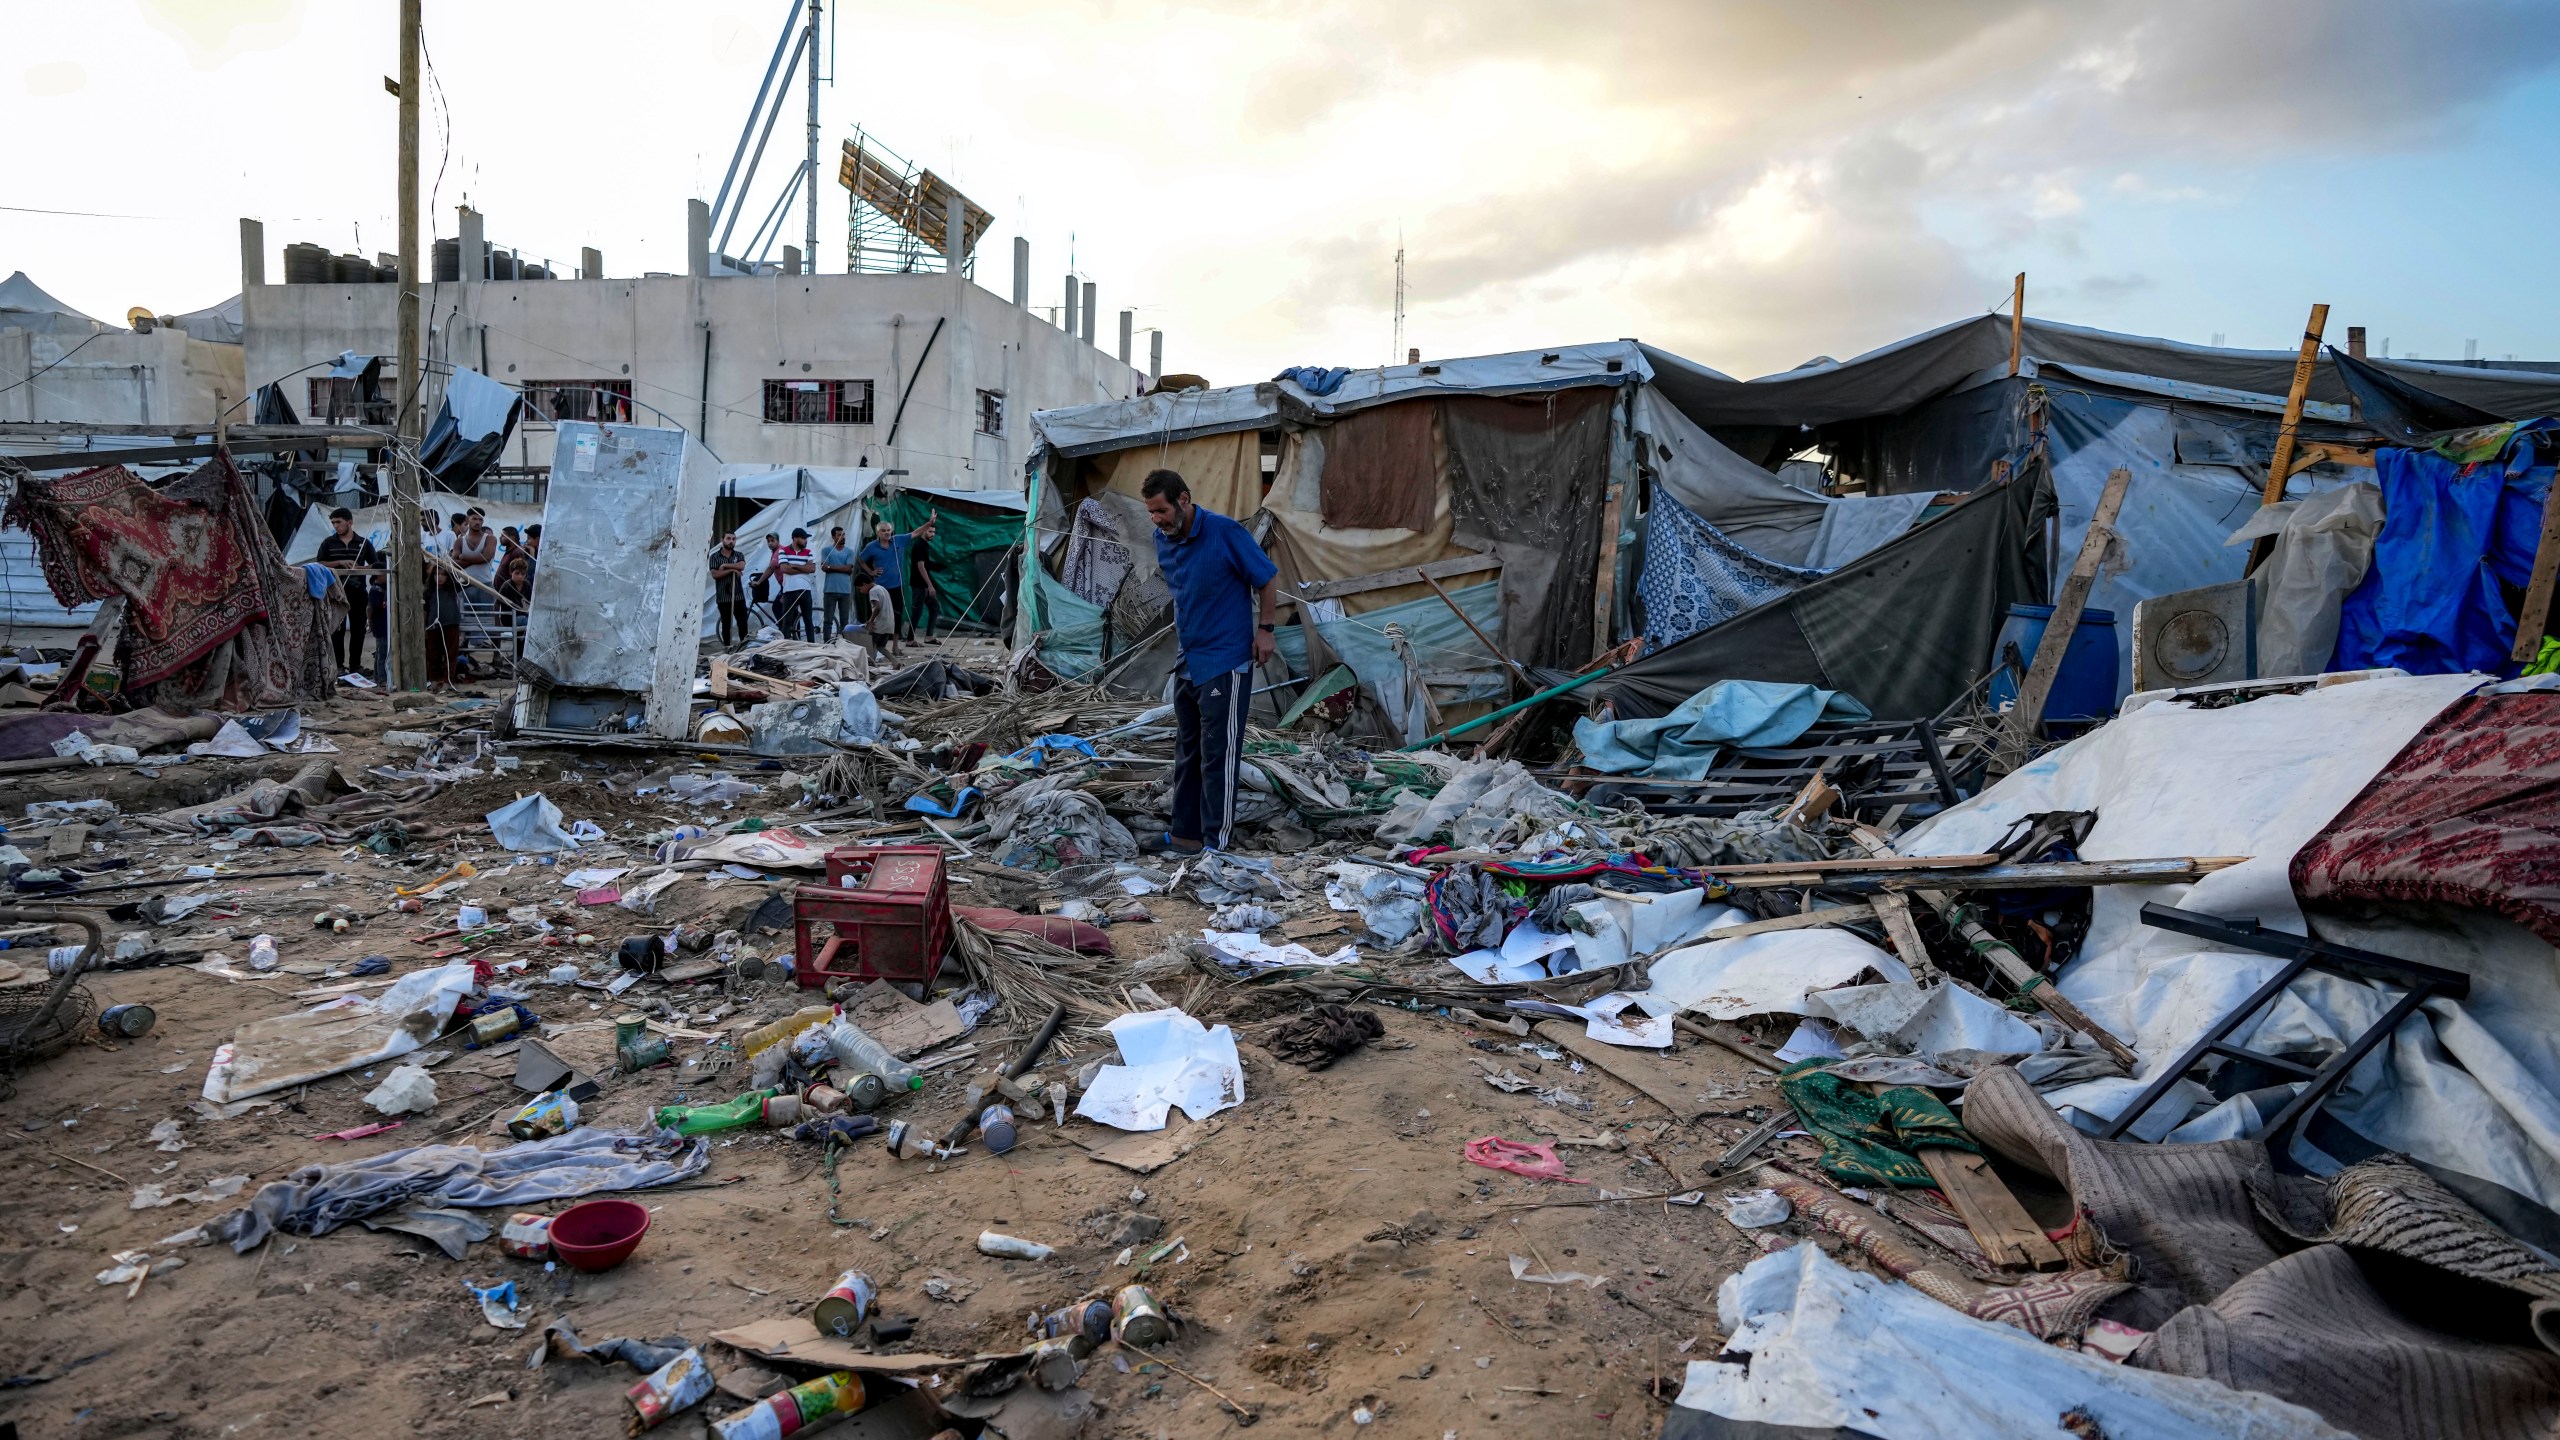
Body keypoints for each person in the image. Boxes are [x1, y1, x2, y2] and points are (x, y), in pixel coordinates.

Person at [1141, 469, 1278, 854]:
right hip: (1188, 660)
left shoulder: (1225, 532)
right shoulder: (1162, 538)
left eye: (1161, 510)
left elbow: (1266, 578)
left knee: (1220, 753)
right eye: (1151, 512)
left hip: (1226, 660)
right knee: (1188, 751)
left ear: (1183, 500)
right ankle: (1185, 834)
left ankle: (1215, 842)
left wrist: (1266, 629)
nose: (1156, 519)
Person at [314, 506, 380, 675]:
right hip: (335, 593)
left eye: (339, 522)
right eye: (333, 523)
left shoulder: (363, 543)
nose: (336, 526)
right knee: (337, 630)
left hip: (358, 593)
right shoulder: (328, 542)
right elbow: (319, 563)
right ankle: (339, 667)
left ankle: (355, 666)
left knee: (358, 630)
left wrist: (357, 567)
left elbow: (375, 564)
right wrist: (339, 562)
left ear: (349, 522)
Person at [858, 515, 936, 646]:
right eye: (883, 530)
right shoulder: (872, 546)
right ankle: (875, 644)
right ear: (878, 532)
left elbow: (915, 532)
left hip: (896, 586)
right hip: (881, 587)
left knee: (897, 615)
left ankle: (895, 645)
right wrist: (871, 571)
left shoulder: (898, 541)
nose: (887, 532)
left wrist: (929, 523)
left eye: (888, 530)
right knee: (878, 614)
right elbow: (860, 559)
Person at [775, 528, 818, 641]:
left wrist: (794, 566)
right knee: (787, 621)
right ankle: (784, 646)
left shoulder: (808, 552)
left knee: (808, 620)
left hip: (805, 590)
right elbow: (784, 568)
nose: (805, 541)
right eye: (803, 538)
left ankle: (812, 646)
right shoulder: (783, 550)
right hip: (789, 590)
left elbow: (812, 568)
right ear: (795, 538)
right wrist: (804, 568)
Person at [818, 525, 859, 643]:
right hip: (830, 589)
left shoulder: (850, 552)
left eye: (843, 534)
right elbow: (824, 567)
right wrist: (841, 568)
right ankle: (826, 641)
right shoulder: (826, 550)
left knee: (844, 620)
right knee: (828, 619)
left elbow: (849, 569)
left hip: (845, 590)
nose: (842, 537)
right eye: (839, 535)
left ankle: (844, 643)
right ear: (833, 537)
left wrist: (831, 566)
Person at [905, 514, 943, 643]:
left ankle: (929, 636)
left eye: (934, 532)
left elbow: (925, 564)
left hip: (923, 585)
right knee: (917, 611)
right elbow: (920, 566)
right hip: (919, 584)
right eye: (930, 531)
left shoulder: (924, 545)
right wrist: (929, 585)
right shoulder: (920, 545)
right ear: (923, 531)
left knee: (934, 607)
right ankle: (910, 639)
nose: (932, 534)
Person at [708, 531, 749, 647]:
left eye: (733, 539)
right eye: (728, 538)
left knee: (743, 624)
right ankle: (727, 648)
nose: (731, 541)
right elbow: (715, 574)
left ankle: (744, 648)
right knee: (726, 625)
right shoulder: (714, 557)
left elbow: (741, 566)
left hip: (738, 596)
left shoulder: (739, 555)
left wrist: (726, 566)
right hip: (723, 597)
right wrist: (732, 570)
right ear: (722, 540)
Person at [862, 564, 897, 660]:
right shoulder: (881, 588)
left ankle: (871, 665)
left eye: (860, 589)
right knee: (880, 646)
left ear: (864, 584)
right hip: (889, 623)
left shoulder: (872, 591)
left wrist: (871, 620)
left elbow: (877, 607)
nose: (861, 591)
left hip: (880, 624)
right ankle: (895, 661)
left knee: (869, 645)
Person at [751, 532, 782, 628]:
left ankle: (785, 630)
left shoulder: (779, 551)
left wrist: (759, 582)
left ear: (778, 541)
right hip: (785, 585)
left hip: (787, 585)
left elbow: (770, 569)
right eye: (768, 541)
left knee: (776, 607)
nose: (770, 543)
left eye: (773, 540)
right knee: (787, 609)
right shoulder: (775, 552)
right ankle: (791, 630)